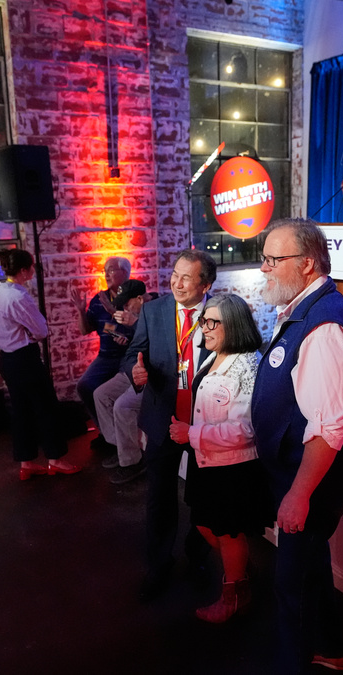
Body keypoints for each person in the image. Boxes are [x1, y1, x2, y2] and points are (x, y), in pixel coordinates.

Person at [250, 218, 343, 674]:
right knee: (312, 567)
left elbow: (331, 426)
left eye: (272, 259)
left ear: (307, 263)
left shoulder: (322, 328)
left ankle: (293, 664)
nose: (264, 268)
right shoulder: (307, 308)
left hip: (311, 480)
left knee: (291, 583)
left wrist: (299, 495)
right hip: (296, 473)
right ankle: (335, 649)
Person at [168, 293, 270, 623]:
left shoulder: (247, 366)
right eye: (203, 321)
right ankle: (240, 573)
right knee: (206, 525)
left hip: (232, 466)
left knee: (227, 532)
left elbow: (245, 431)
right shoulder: (214, 355)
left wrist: (191, 435)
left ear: (234, 325)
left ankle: (235, 595)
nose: (204, 328)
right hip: (207, 461)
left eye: (212, 322)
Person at [124, 249, 217, 601]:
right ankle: (158, 564)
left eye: (186, 277)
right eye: (174, 275)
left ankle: (198, 556)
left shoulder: (220, 312)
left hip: (204, 419)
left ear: (205, 284)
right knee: (159, 497)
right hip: (162, 414)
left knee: (203, 495)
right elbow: (134, 352)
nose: (176, 283)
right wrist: (134, 370)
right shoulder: (154, 310)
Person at [0, 248, 80, 480]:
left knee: (20, 412)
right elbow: (41, 330)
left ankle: (26, 462)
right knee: (46, 408)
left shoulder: (1, 292)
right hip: (24, 359)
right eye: (31, 266)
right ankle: (55, 459)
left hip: (7, 359)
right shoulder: (19, 297)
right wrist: (31, 335)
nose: (33, 270)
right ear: (22, 271)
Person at [70, 256, 131, 450]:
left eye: (111, 270)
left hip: (127, 357)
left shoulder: (134, 297)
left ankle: (120, 439)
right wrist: (80, 311)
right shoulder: (98, 300)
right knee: (84, 386)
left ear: (125, 273)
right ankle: (106, 433)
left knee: (111, 395)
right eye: (105, 270)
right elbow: (84, 330)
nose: (106, 274)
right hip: (105, 357)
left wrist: (115, 313)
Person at [94, 278, 151, 485]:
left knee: (122, 405)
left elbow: (157, 343)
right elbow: (136, 343)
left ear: (139, 299)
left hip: (148, 373)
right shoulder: (133, 315)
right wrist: (124, 338)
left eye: (127, 304)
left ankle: (132, 461)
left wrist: (134, 323)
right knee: (100, 394)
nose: (125, 308)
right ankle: (122, 450)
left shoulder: (155, 310)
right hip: (129, 368)